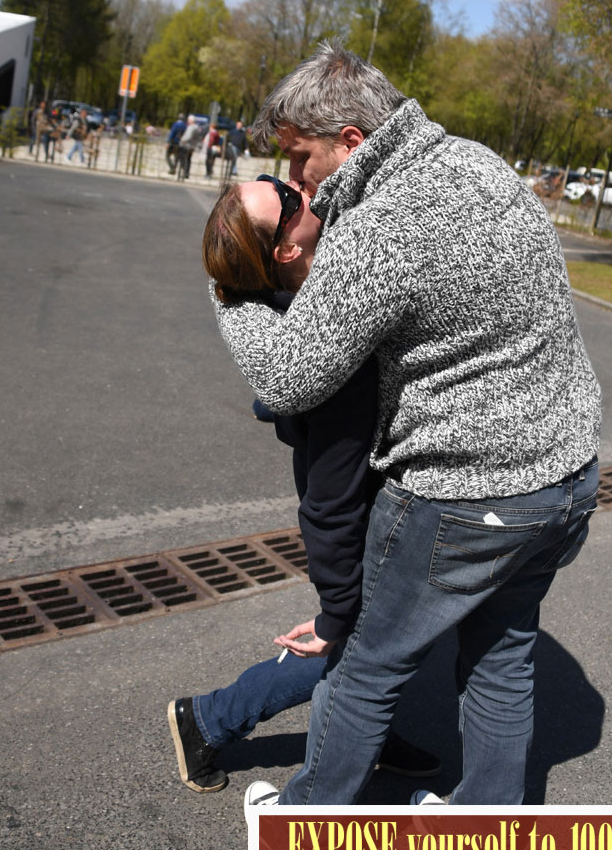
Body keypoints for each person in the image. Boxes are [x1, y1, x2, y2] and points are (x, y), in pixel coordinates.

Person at [210, 40, 601, 810]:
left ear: (350, 143)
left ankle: (306, 826)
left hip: (467, 494)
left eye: (299, 159)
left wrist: (229, 292)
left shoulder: (380, 225)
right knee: (500, 656)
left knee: (363, 666)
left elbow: (289, 376)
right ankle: (489, 824)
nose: (295, 180)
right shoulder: (477, 162)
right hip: (567, 480)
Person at [167, 174, 440, 793]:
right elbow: (329, 501)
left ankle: (363, 729)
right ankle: (209, 719)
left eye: (273, 175)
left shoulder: (320, 289)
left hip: (384, 503)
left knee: (385, 648)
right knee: (358, 647)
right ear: (287, 250)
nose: (293, 183)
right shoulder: (326, 348)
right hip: (371, 517)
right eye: (284, 196)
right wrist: (335, 611)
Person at [176, 115, 202, 180]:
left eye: (188, 120)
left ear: (190, 120)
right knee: (188, 159)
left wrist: (182, 140)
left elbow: (188, 136)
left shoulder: (191, 127)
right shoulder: (197, 128)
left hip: (187, 145)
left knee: (183, 157)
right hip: (193, 146)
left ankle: (184, 171)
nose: (187, 121)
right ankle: (186, 173)